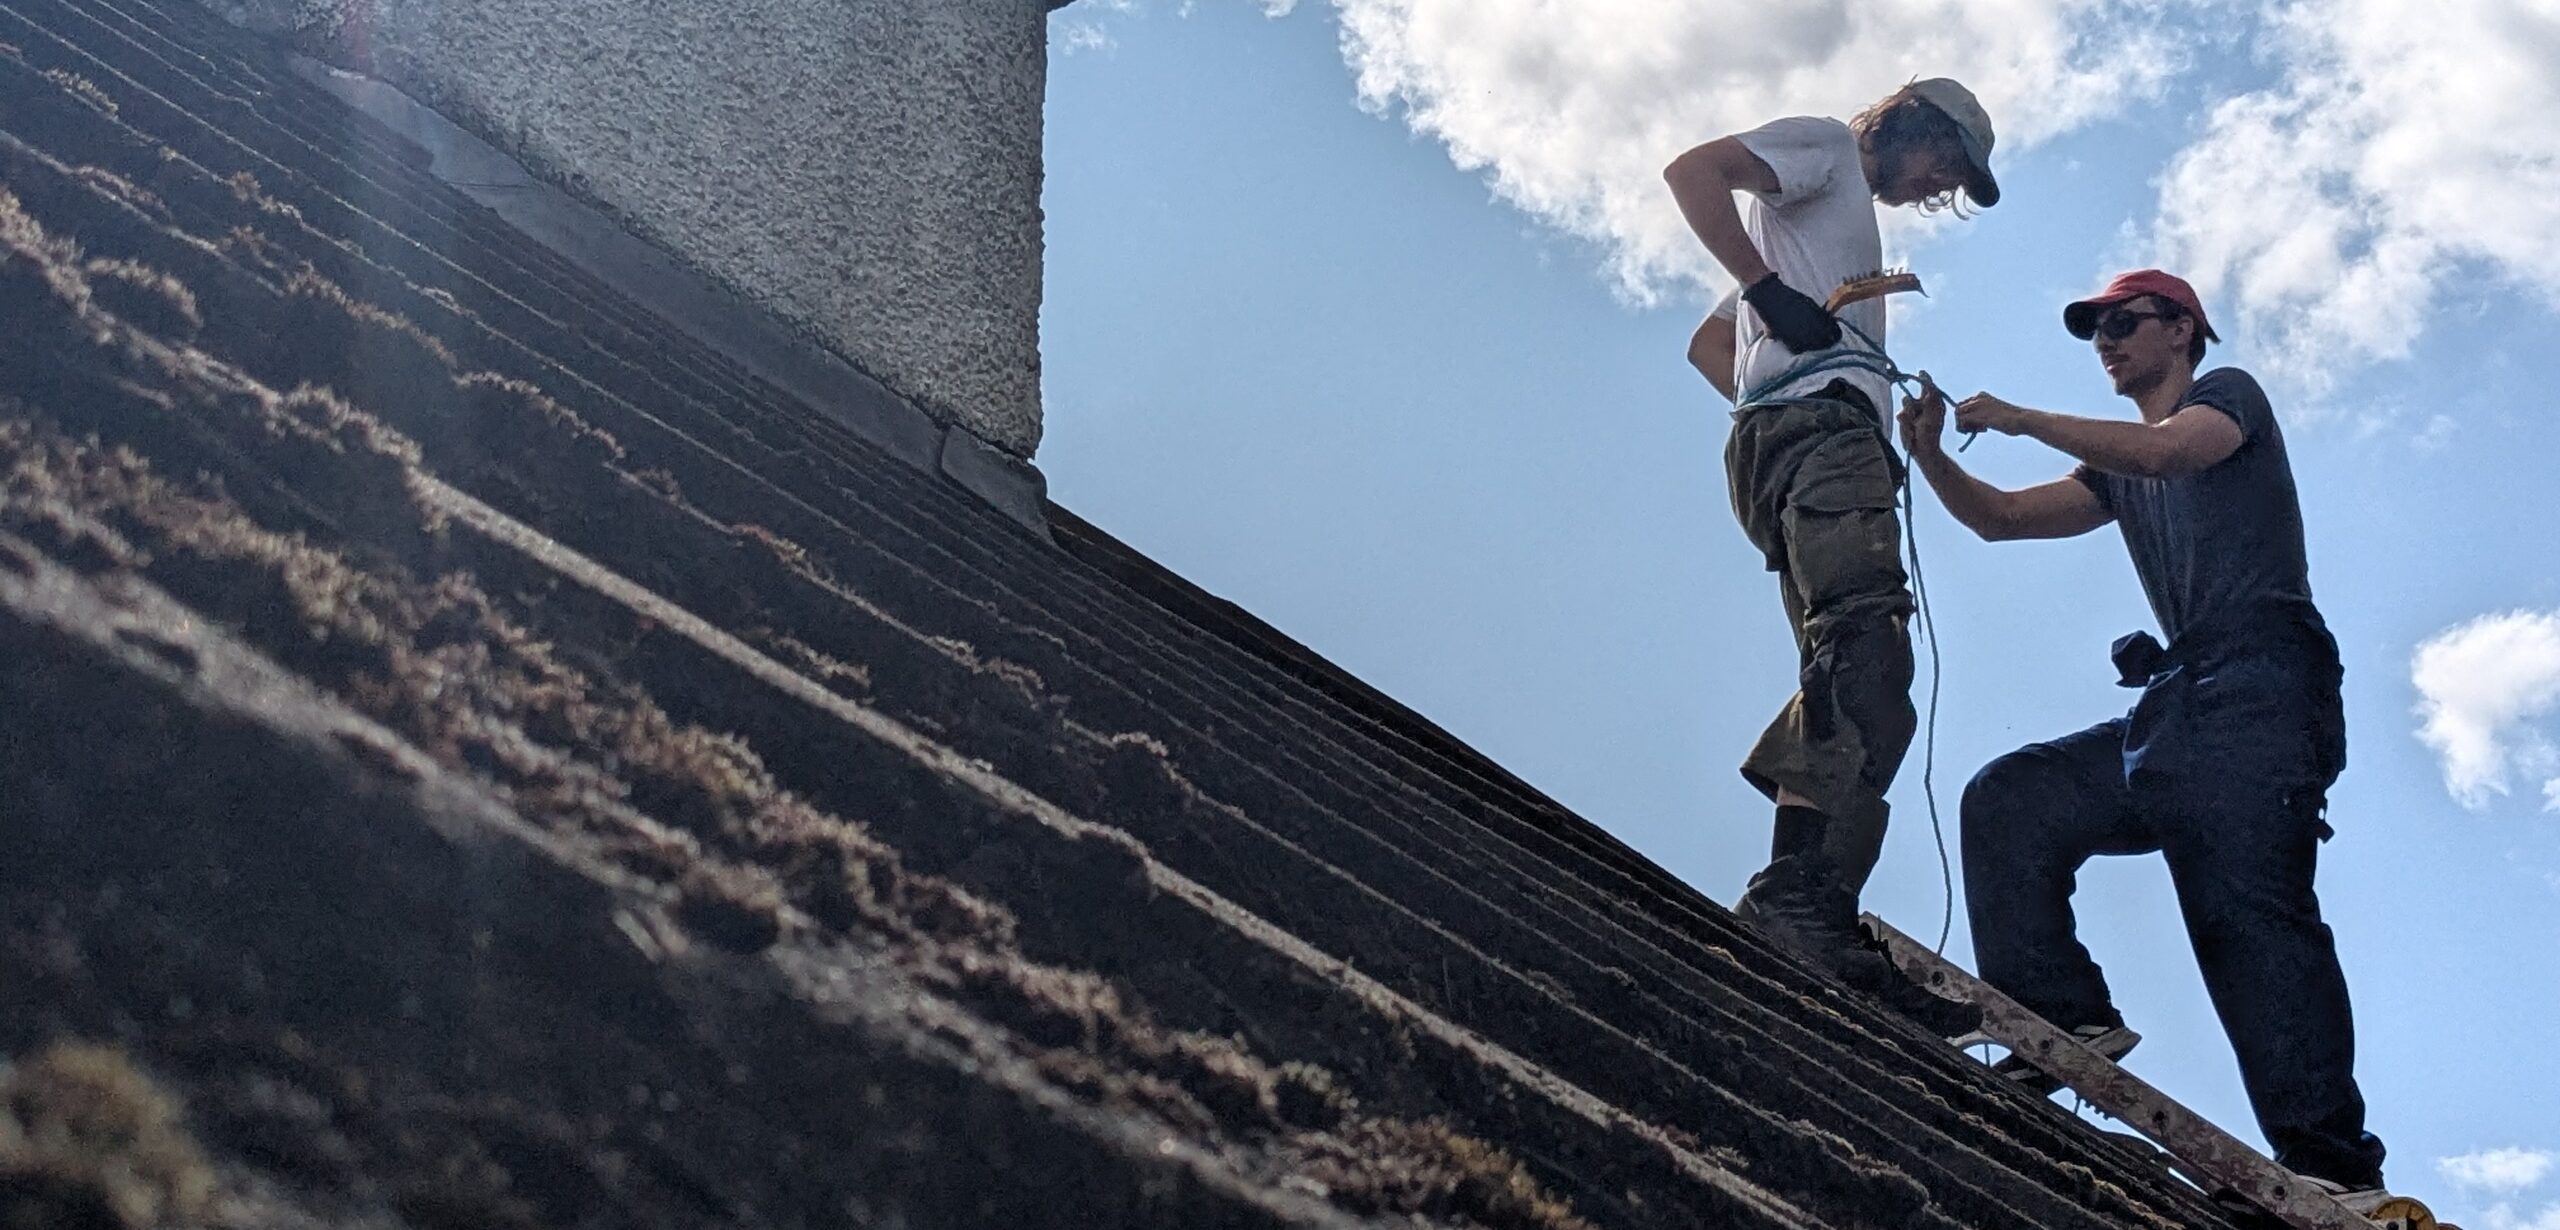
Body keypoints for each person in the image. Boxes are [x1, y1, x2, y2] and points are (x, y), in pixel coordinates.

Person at [1896, 269, 2391, 1205]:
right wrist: (1932, 455)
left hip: (2262, 691)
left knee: (2248, 919)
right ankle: (2059, 1012)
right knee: (2013, 798)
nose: (2108, 342)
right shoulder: (2116, 465)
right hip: (2181, 707)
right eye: (2095, 331)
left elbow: (2173, 457)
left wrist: (2023, 418)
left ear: (2184, 330)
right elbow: (2001, 522)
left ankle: (2330, 1169)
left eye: (2125, 323)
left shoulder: (2225, 397)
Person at [1664, 78, 1998, 1031]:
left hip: (1804, 437)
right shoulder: (1824, 151)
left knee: (1867, 676)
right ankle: (1797, 902)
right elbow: (1695, 172)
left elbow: (1706, 346)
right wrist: (1779, 310)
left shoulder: (1828, 223)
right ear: (1912, 124)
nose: (1935, 186)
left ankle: (1819, 906)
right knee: (1865, 646)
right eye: (1943, 163)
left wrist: (1781, 368)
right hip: (1821, 440)